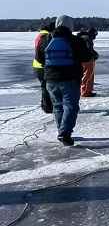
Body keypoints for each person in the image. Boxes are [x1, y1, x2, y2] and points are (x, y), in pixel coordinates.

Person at [36, 15, 90, 146]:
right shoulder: (75, 40)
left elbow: (39, 58)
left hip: (51, 79)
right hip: (70, 78)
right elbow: (86, 57)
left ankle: (62, 131)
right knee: (70, 106)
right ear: (70, 26)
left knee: (58, 106)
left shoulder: (45, 39)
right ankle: (64, 133)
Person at [32, 21, 55, 113]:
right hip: (42, 66)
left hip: (37, 65)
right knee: (46, 87)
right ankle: (47, 107)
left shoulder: (39, 36)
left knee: (44, 86)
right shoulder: (45, 37)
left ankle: (45, 105)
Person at [77, 27, 99, 97]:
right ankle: (85, 91)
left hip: (81, 60)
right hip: (87, 60)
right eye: (95, 35)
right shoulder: (87, 39)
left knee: (85, 76)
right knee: (88, 76)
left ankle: (84, 90)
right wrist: (94, 55)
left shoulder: (82, 37)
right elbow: (89, 50)